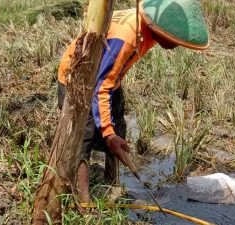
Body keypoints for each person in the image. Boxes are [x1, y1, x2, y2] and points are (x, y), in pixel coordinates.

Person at [57, 0, 209, 202]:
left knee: (118, 129)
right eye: (174, 41)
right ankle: (83, 203)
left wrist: (112, 132)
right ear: (160, 29)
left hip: (108, 79)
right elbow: (99, 86)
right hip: (79, 80)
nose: (174, 46)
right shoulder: (127, 36)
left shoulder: (147, 23)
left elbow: (107, 76)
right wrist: (108, 134)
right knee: (82, 140)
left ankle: (112, 184)